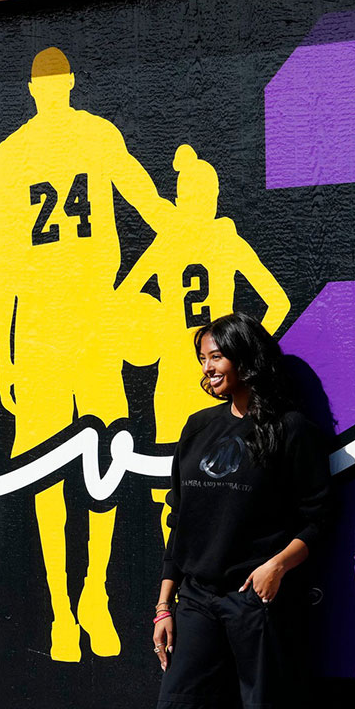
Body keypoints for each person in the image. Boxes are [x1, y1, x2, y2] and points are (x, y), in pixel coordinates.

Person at [0, 46, 172, 661]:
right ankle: (64, 611)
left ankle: (87, 598)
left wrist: (5, 350)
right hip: (55, 323)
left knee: (99, 462)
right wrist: (7, 353)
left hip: (78, 319)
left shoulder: (32, 148)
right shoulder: (57, 143)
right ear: (55, 84)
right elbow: (9, 257)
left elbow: (5, 263)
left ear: (43, 85)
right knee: (63, 468)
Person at [151, 313, 332, 709]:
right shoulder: (197, 428)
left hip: (257, 602)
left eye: (216, 357)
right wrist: (164, 603)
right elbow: (181, 519)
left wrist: (276, 566)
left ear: (246, 360)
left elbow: (318, 518)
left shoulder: (292, 431)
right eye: (202, 359)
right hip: (197, 600)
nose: (207, 369)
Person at [119, 146, 290, 545]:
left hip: (178, 381)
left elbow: (124, 297)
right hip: (215, 384)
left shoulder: (167, 243)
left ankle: (179, 578)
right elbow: (277, 301)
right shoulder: (223, 239)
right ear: (211, 200)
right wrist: (246, 353)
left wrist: (155, 328)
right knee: (217, 483)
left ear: (181, 199)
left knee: (172, 490)